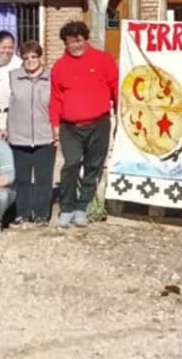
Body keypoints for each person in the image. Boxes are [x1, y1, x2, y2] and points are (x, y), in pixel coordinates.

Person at [50, 21, 119, 228]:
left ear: (85, 39)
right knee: (71, 164)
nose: (75, 45)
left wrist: (120, 114)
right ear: (65, 43)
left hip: (99, 123)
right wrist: (55, 124)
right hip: (70, 126)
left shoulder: (103, 59)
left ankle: (83, 205)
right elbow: (55, 98)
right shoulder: (59, 66)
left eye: (78, 40)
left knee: (93, 165)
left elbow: (115, 87)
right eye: (71, 42)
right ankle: (67, 206)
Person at [6, 40, 56, 226]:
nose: (30, 60)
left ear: (40, 57)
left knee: (44, 179)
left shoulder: (51, 78)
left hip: (45, 136)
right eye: (26, 57)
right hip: (19, 136)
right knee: (22, 179)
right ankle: (22, 214)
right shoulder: (12, 77)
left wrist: (56, 132)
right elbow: (4, 103)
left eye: (34, 56)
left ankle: (42, 214)